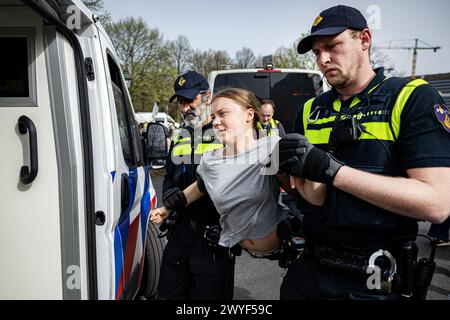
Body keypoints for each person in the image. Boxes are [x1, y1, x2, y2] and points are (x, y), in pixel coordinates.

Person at [278, 5, 450, 300]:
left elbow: (436, 204)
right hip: (308, 271)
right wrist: (282, 173)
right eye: (316, 52)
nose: (323, 59)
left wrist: (334, 172)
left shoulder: (411, 97)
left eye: (332, 46)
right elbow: (304, 194)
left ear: (365, 40)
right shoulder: (309, 110)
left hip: (375, 278)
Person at [151, 87, 324, 256]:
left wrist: (305, 165)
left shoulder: (271, 147)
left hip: (283, 248)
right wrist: (167, 208)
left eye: (223, 114)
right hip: (239, 246)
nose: (215, 122)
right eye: (213, 116)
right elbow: (200, 186)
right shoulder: (210, 159)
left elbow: (304, 197)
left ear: (249, 115)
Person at [157, 71, 235, 300]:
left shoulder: (225, 134)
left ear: (208, 96)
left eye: (190, 100)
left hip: (212, 237)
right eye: (181, 101)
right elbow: (170, 176)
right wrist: (169, 194)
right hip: (179, 233)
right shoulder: (180, 134)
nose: (185, 108)